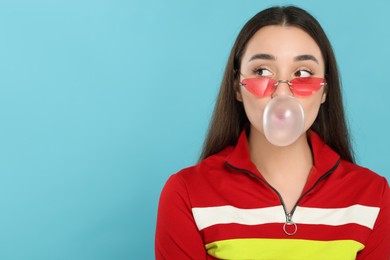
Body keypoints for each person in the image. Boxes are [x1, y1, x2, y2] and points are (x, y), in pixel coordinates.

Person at [155, 5, 390, 260]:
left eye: (302, 73)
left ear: (324, 91)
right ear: (237, 86)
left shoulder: (372, 197)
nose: (281, 92)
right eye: (262, 71)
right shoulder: (187, 193)